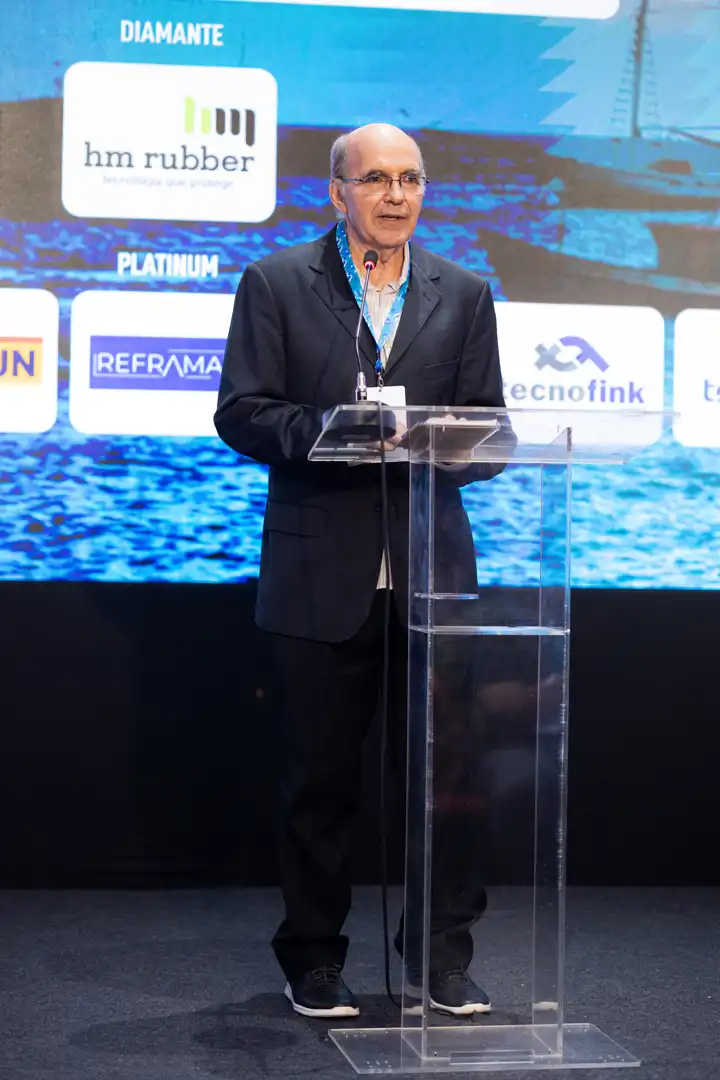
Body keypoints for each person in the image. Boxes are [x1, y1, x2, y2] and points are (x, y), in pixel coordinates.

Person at [215, 123, 506, 1019]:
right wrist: (333, 431)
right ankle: (313, 958)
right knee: (320, 783)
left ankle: (441, 959)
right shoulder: (276, 283)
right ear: (337, 191)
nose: (394, 195)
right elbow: (242, 411)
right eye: (375, 179)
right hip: (320, 574)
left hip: (432, 576)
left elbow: (491, 428)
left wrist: (448, 443)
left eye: (410, 179)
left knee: (447, 781)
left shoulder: (464, 293)